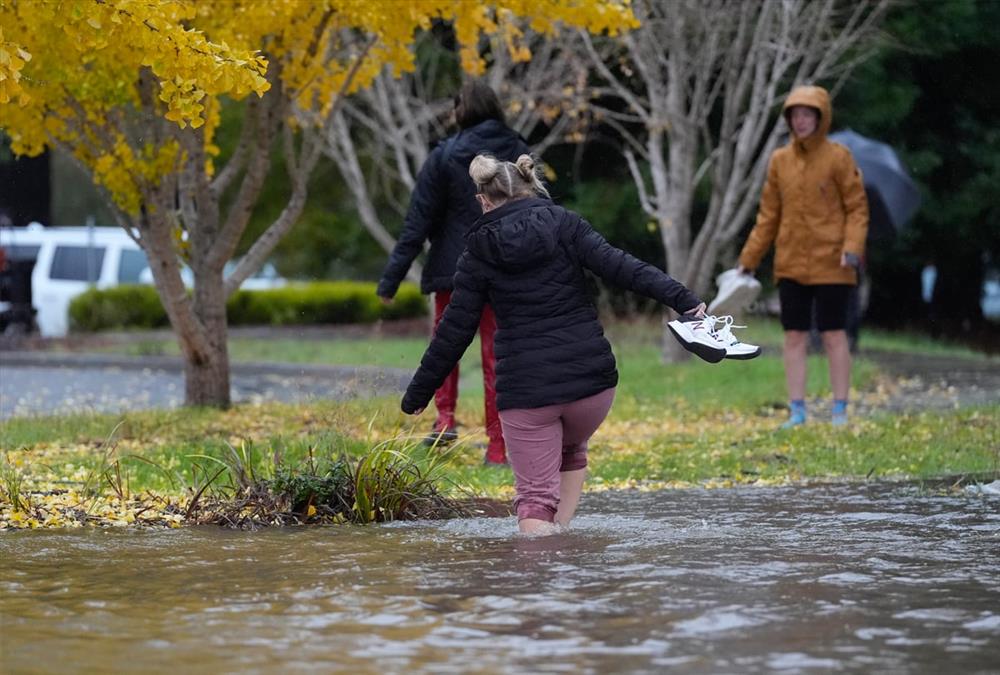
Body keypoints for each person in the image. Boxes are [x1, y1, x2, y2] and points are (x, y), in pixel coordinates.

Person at [400, 153, 710, 534]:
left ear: (483, 201)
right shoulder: (566, 224)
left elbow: (454, 332)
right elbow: (623, 267)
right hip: (591, 387)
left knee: (534, 502)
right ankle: (565, 566)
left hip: (529, 394)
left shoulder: (477, 253)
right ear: (531, 186)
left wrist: (418, 395)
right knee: (569, 450)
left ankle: (542, 585)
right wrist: (685, 301)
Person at [377, 81, 530, 464]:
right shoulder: (519, 152)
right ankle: (499, 446)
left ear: (462, 110)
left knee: (445, 348)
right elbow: (535, 211)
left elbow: (419, 221)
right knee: (500, 357)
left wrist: (391, 278)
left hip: (454, 271)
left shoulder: (444, 156)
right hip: (505, 269)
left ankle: (444, 423)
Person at [736, 85, 869, 427]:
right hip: (791, 262)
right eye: (796, 115)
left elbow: (857, 208)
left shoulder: (839, 157)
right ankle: (797, 410)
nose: (801, 121)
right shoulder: (780, 160)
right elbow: (768, 215)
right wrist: (748, 260)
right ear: (789, 120)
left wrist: (852, 250)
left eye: (808, 115)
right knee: (793, 336)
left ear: (821, 118)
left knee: (833, 334)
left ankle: (840, 409)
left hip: (833, 264)